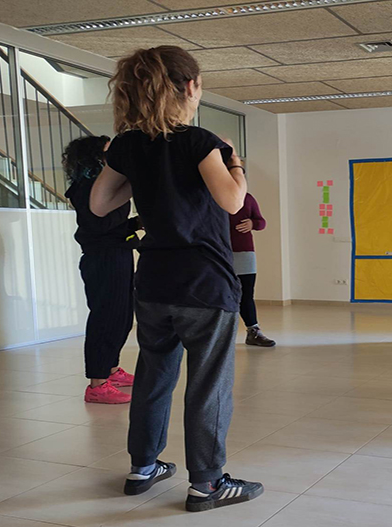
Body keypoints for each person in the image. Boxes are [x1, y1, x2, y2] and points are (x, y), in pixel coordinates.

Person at [90, 45, 262, 512]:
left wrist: (145, 177)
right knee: (208, 384)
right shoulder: (199, 141)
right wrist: (235, 161)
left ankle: (143, 466)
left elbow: (100, 204)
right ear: (190, 87)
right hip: (205, 283)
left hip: (154, 284)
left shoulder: (127, 145)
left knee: (153, 375)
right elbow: (232, 201)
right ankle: (207, 484)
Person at [63, 135, 139, 405]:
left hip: (116, 254)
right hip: (103, 258)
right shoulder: (87, 188)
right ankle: (97, 384)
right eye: (108, 151)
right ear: (95, 156)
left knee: (121, 318)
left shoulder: (101, 185)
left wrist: (134, 224)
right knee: (106, 319)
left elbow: (109, 225)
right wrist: (130, 225)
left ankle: (111, 370)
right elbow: (98, 226)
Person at [229, 193, 276, 347]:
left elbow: (261, 222)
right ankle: (217, 335)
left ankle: (253, 332)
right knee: (217, 294)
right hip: (217, 253)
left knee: (246, 294)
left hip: (244, 252)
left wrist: (252, 224)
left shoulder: (247, 198)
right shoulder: (211, 195)